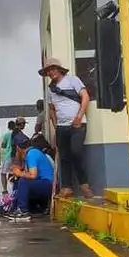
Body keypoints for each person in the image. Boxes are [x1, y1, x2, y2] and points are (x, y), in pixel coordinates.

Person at [40, 57, 93, 199]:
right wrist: (56, 125)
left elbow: (85, 97)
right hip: (62, 127)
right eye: (48, 71)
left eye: (53, 69)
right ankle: (67, 187)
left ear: (59, 69)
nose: (51, 72)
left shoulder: (72, 80)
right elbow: (52, 110)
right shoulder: (50, 89)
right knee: (64, 157)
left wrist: (79, 116)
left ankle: (84, 185)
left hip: (78, 124)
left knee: (76, 152)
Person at [5, 137, 54, 219]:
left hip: (48, 184)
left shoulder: (31, 154)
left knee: (24, 182)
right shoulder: (33, 152)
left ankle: (23, 211)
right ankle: (14, 207)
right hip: (43, 183)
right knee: (18, 182)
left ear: (18, 148)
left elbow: (33, 175)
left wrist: (19, 173)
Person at [0, 120, 17, 195]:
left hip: (8, 156)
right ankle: (15, 189)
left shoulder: (6, 135)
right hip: (16, 156)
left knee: (3, 173)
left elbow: (3, 145)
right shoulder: (17, 134)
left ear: (8, 127)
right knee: (14, 173)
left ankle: (5, 189)